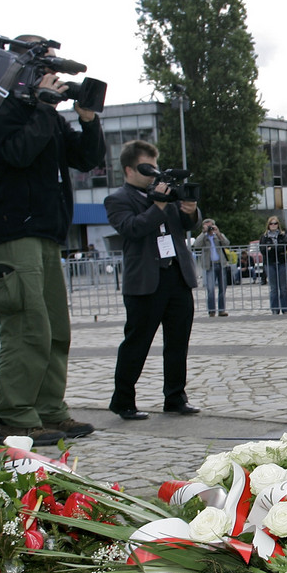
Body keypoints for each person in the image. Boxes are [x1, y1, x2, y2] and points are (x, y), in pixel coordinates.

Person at [0, 36, 104, 445]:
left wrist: (87, 118)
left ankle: (49, 411)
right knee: (27, 327)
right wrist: (44, 105)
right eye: (46, 66)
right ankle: (14, 416)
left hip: (47, 234)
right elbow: (17, 153)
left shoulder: (45, 114)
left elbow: (85, 158)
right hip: (14, 232)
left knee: (54, 330)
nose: (53, 74)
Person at [104, 139, 202, 420]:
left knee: (178, 343)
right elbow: (131, 228)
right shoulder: (118, 199)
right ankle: (123, 401)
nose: (154, 176)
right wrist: (157, 205)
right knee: (136, 344)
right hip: (146, 282)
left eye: (156, 169)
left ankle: (175, 397)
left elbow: (187, 224)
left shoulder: (165, 195)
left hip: (177, 277)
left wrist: (190, 211)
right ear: (129, 170)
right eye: (147, 170)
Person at [192, 218, 230, 317]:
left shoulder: (218, 236)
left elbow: (227, 243)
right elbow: (196, 245)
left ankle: (221, 310)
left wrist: (218, 233)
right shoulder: (204, 238)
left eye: (210, 226)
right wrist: (203, 233)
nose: (209, 228)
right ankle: (212, 311)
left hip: (221, 264)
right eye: (207, 226)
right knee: (210, 289)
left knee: (222, 288)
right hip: (209, 266)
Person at [259, 215, 287, 314]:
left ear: (278, 225)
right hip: (270, 263)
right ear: (268, 225)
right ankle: (275, 309)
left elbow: (284, 248)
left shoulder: (282, 235)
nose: (273, 225)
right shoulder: (264, 236)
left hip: (282, 262)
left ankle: (285, 309)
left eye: (275, 223)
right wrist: (275, 248)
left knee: (283, 287)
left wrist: (271, 248)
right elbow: (263, 250)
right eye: (271, 223)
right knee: (273, 288)